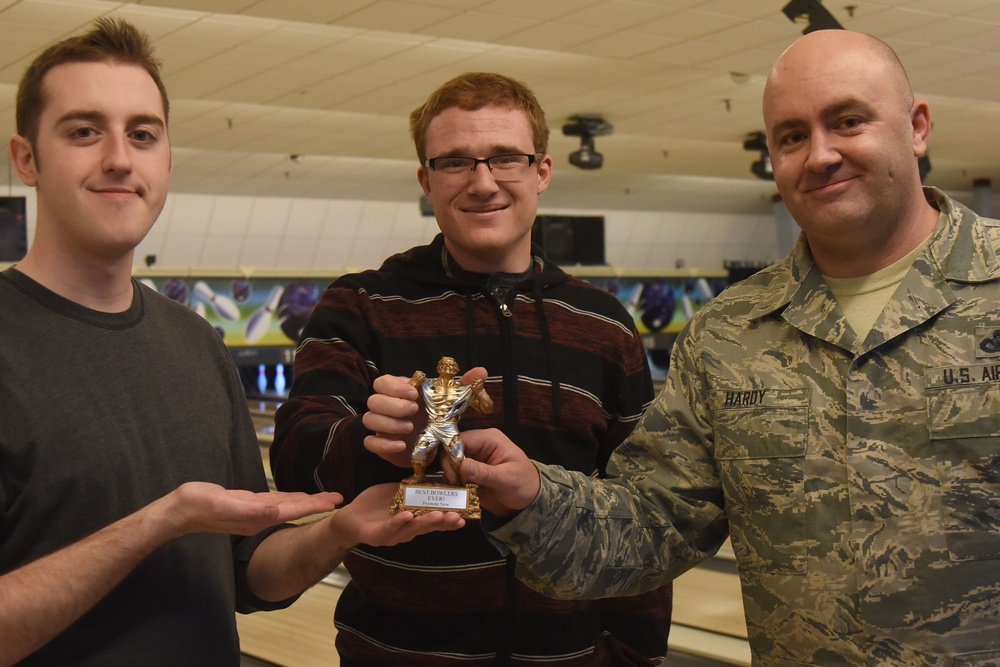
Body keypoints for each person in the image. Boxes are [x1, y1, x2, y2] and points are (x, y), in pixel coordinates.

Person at [421, 29, 1000, 666]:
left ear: (917, 127)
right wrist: (532, 495)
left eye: (849, 121)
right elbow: (651, 523)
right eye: (792, 136)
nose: (821, 154)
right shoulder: (729, 334)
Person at [0, 18, 462, 667]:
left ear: (166, 160)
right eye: (83, 131)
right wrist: (159, 522)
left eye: (142, 134)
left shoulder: (197, 344)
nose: (118, 158)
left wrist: (339, 530)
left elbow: (249, 574)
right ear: (27, 159)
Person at [270, 72, 672, 666]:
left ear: (541, 171)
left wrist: (634, 656)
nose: (483, 182)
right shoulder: (360, 305)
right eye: (455, 162)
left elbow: (642, 508)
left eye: (506, 158)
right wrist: (373, 442)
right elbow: (297, 462)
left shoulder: (602, 324)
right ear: (425, 181)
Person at [407, 356, 493, 483]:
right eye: (444, 364)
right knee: (417, 452)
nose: (447, 366)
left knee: (458, 458)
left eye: (451, 365)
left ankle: (463, 482)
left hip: (449, 428)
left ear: (456, 370)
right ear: (438, 368)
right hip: (432, 427)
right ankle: (418, 476)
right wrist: (414, 382)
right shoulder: (427, 386)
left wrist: (481, 392)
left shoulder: (464, 390)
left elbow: (487, 409)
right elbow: (408, 395)